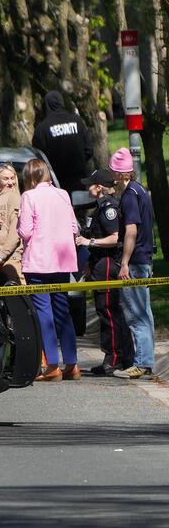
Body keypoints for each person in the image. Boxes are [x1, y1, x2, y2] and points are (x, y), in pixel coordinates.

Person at [17, 158, 80, 381]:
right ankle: (72, 364)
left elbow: (25, 231)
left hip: (39, 261)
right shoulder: (63, 194)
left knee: (44, 312)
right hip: (62, 260)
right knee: (63, 311)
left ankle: (52, 364)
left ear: (29, 177)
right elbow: (74, 227)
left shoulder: (29, 196)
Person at [75, 168, 134, 375]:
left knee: (109, 311)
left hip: (109, 264)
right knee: (105, 311)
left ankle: (116, 358)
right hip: (99, 262)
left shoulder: (109, 207)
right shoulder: (99, 207)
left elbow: (114, 238)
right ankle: (119, 356)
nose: (86, 187)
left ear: (99, 187)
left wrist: (88, 241)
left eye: (90, 184)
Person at [110, 147, 156, 379]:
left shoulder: (128, 196)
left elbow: (131, 231)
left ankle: (141, 363)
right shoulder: (141, 191)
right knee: (145, 314)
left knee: (136, 315)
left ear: (119, 174)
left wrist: (125, 262)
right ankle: (146, 361)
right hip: (146, 258)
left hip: (135, 261)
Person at [31, 90, 94, 192]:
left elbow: (38, 161)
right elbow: (89, 150)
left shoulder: (42, 129)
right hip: (80, 182)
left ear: (46, 105)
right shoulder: (77, 121)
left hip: (56, 184)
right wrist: (79, 163)